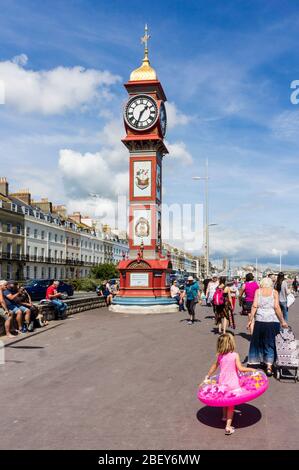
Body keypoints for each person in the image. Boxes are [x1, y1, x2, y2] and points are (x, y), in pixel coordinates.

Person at [204, 333, 256, 435]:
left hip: (223, 382)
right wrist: (252, 369)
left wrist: (208, 375)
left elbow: (214, 366)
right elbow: (241, 368)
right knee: (231, 405)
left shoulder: (220, 356)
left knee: (225, 399)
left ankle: (224, 417)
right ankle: (228, 427)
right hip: (233, 383)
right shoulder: (235, 355)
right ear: (231, 343)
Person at [247, 277, 288, 377]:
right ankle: (269, 366)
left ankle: (258, 361)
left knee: (259, 341)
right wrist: (282, 321)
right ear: (270, 284)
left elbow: (254, 305)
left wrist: (250, 319)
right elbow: (276, 307)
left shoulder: (258, 291)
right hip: (272, 320)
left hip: (260, 320)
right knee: (270, 342)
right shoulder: (274, 292)